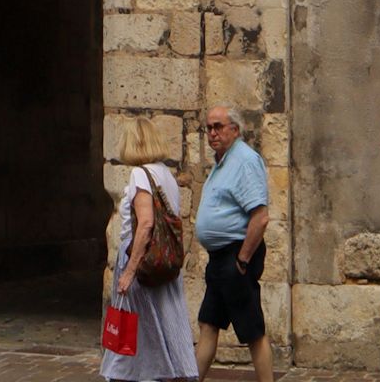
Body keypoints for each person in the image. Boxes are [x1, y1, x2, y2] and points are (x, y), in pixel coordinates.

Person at [101, 115, 197, 382]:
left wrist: (129, 271)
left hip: (142, 262)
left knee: (133, 330)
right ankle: (162, 373)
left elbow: (145, 225)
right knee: (161, 327)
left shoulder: (140, 175)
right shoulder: (165, 174)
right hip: (162, 263)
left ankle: (129, 376)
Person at [194, 106, 273, 382]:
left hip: (235, 256)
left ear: (235, 130)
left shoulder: (244, 161)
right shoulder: (222, 161)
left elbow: (260, 218)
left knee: (253, 331)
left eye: (219, 126)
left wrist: (242, 261)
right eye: (209, 128)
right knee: (209, 323)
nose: (213, 133)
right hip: (220, 259)